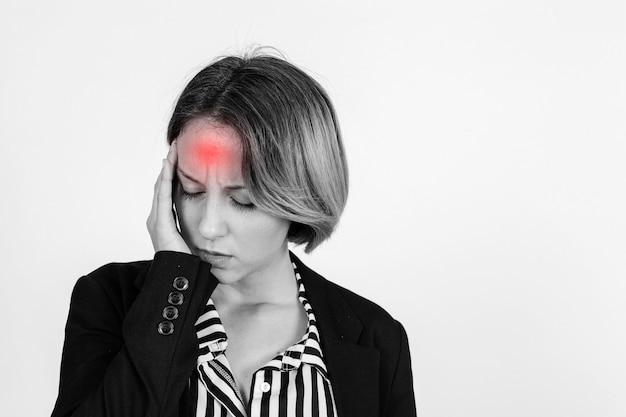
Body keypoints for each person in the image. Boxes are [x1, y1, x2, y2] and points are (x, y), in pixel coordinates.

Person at [51, 47, 417, 417]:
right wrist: (171, 285)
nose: (208, 227)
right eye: (191, 190)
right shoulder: (109, 301)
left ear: (300, 194)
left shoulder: (376, 338)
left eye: (242, 200)